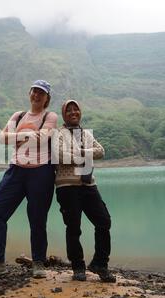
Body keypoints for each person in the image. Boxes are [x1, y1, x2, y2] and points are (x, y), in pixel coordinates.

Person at [0, 80, 58, 278]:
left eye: (41, 93)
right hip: (16, 171)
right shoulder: (18, 115)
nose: (37, 95)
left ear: (47, 98)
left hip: (41, 172)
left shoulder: (50, 116)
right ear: (29, 93)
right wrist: (29, 134)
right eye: (34, 91)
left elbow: (43, 137)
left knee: (37, 219)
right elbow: (2, 138)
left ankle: (38, 263)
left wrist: (19, 135)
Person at [52, 99, 116, 282]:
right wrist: (85, 154)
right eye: (69, 110)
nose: (73, 112)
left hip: (89, 186)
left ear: (80, 112)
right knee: (73, 228)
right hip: (67, 187)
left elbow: (101, 151)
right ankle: (77, 267)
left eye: (76, 109)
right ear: (64, 115)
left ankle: (100, 264)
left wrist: (77, 152)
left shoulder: (86, 134)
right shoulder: (58, 134)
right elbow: (59, 156)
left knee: (104, 221)